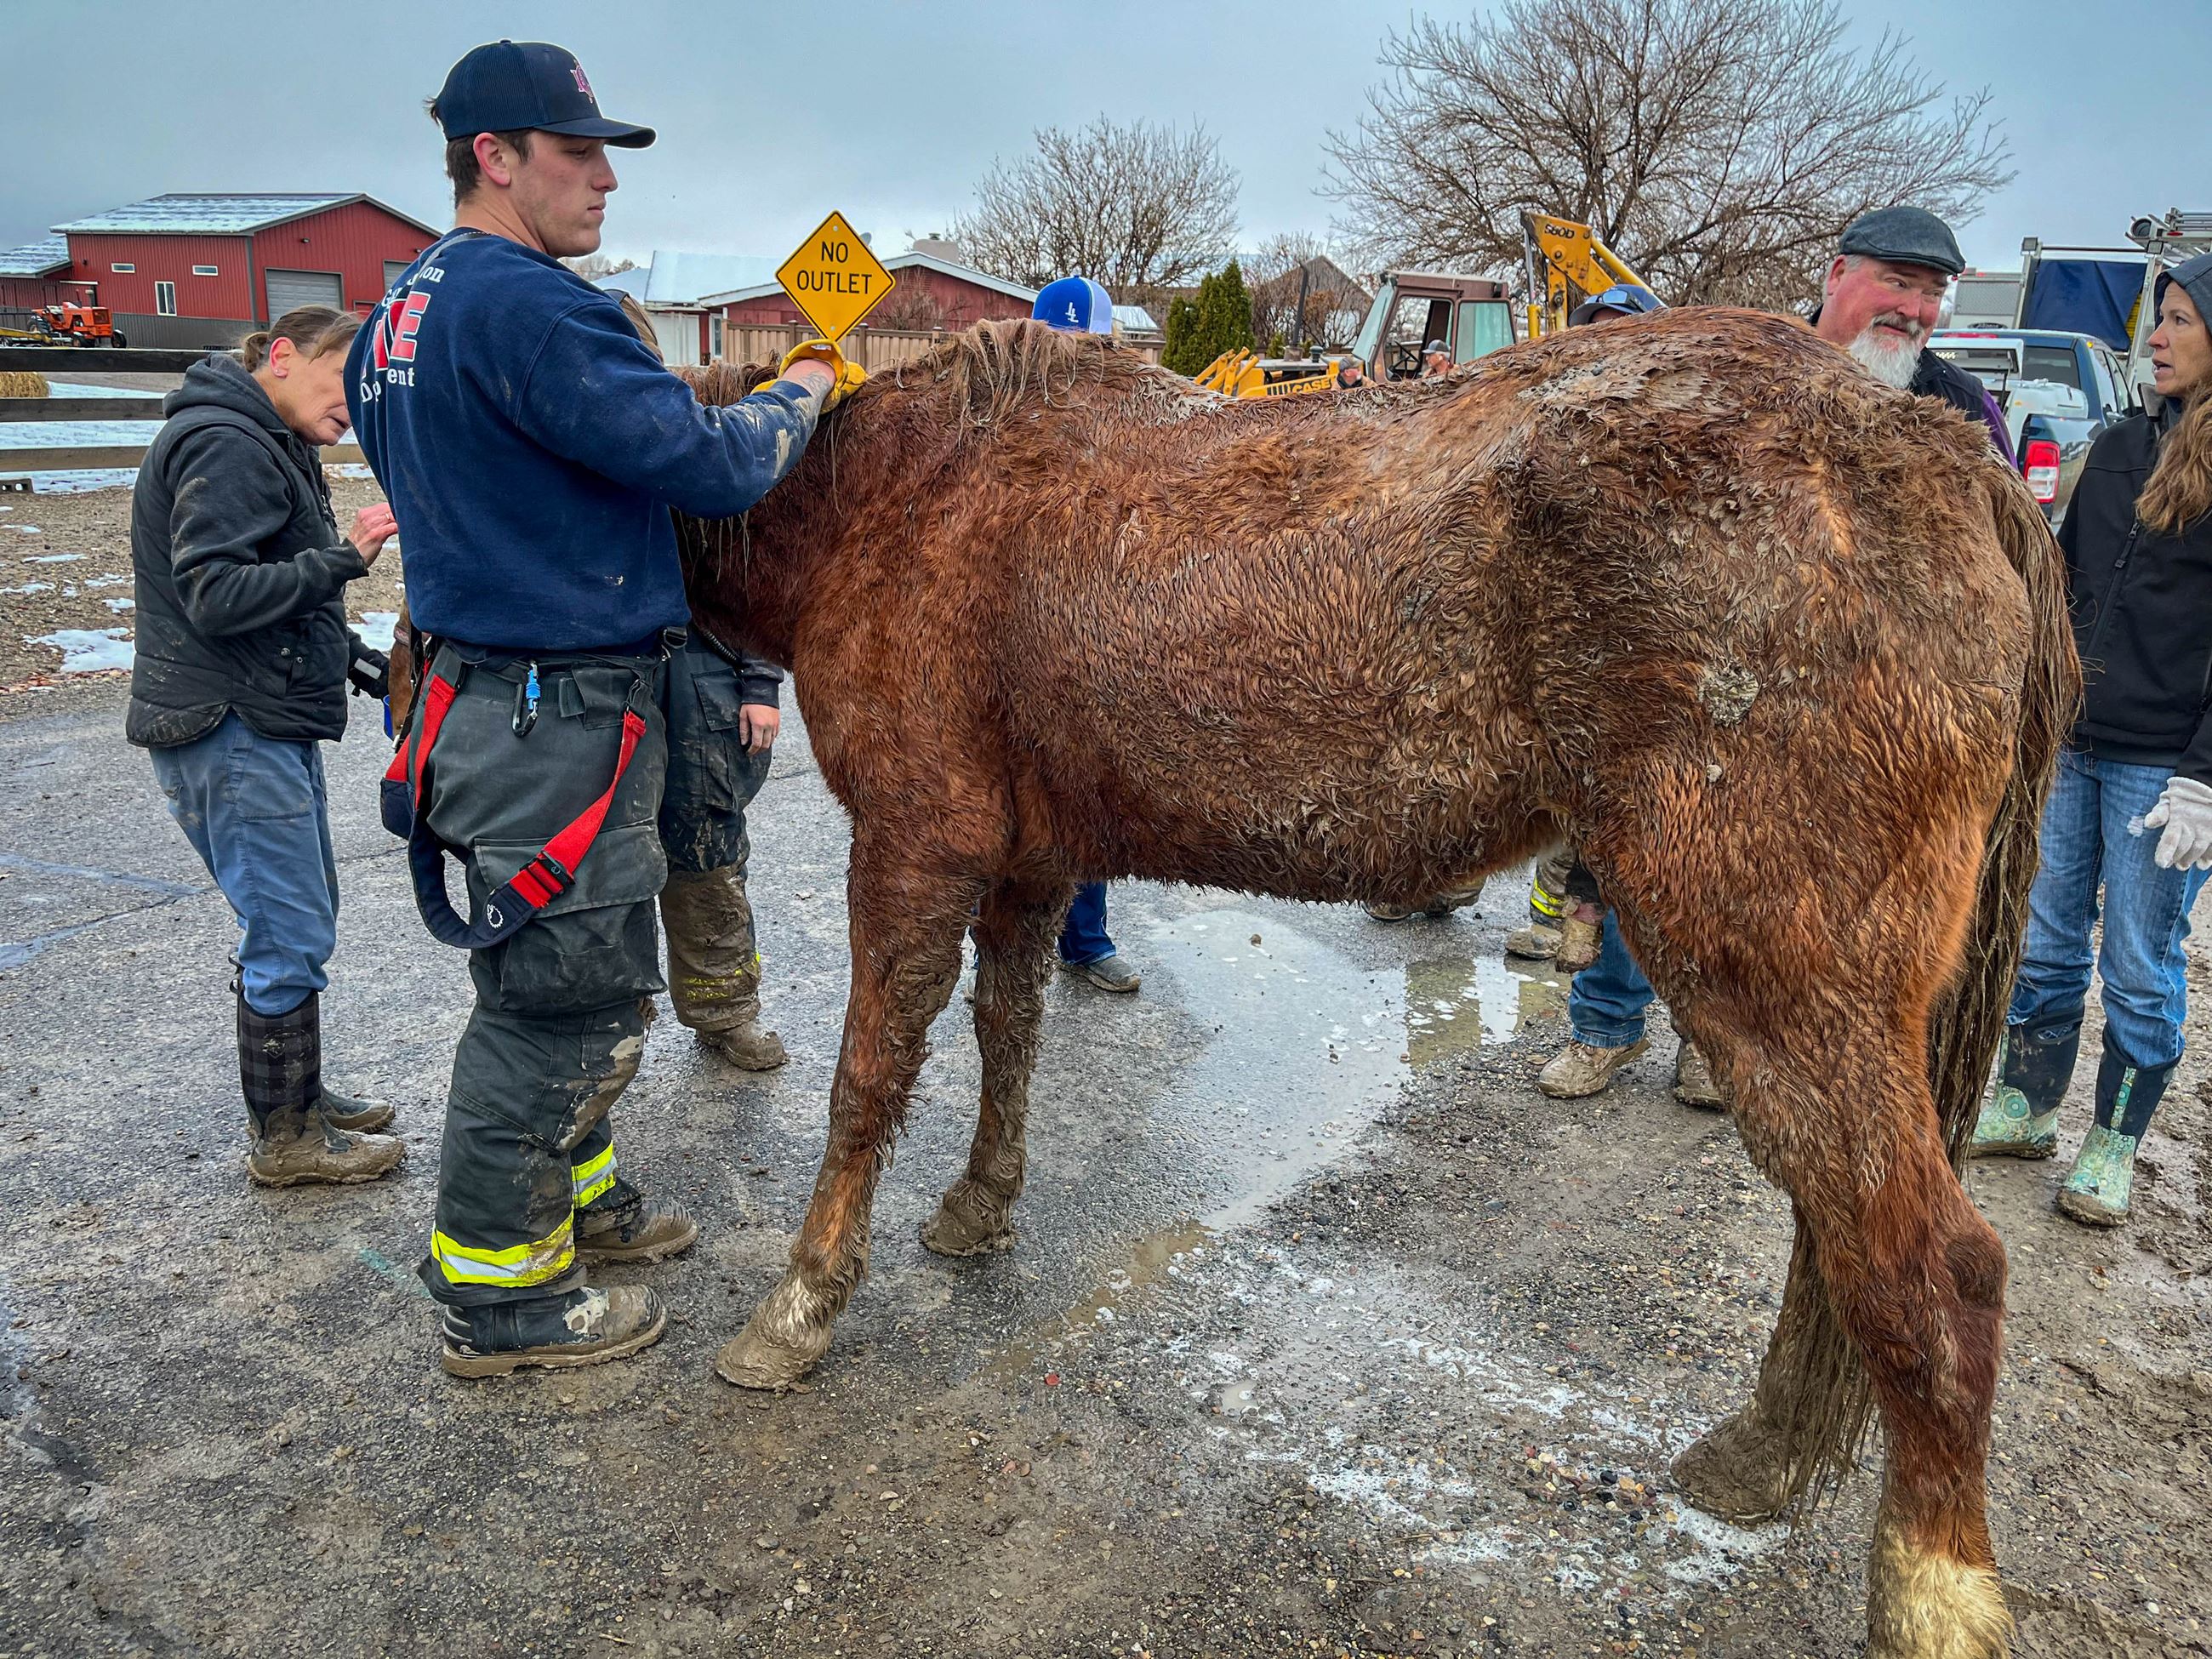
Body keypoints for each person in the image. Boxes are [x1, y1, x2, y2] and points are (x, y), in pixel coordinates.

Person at [349, 39, 858, 1377]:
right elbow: (704, 463)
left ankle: (582, 1201)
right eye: (576, 155)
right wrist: (802, 388)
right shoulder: (528, 305)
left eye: (607, 157)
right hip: (547, 710)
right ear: (492, 158)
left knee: (568, 976)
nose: (603, 182)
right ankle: (504, 1300)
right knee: (559, 1003)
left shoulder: (405, 307)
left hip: (484, 688)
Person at [129, 307, 407, 1189]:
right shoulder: (230, 444)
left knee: (299, 910)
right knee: (286, 925)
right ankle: (285, 1140)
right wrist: (345, 558)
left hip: (257, 715)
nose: (353, 411)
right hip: (228, 724)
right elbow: (215, 594)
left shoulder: (265, 438)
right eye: (342, 384)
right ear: (282, 356)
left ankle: (302, 1100)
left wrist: (364, 666)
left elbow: (275, 599)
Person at [1970, 251, 2212, 1226]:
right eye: (2157, 318)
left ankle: (2110, 1141)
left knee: (2138, 966)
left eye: (2182, 320)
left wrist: (2204, 777)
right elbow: (2058, 593)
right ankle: (2027, 1104)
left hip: (2163, 766)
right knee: (2045, 941)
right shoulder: (2114, 445)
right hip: (2070, 744)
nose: (2155, 337)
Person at [1029, 275, 1143, 993]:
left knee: (1089, 793)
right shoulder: (1005, 418)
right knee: (1010, 801)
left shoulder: (1129, 421)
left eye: (1086, 342)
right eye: (1058, 341)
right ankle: (1001, 949)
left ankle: (1086, 941)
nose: (1073, 355)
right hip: (1020, 632)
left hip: (1097, 634)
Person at [1810, 206, 2015, 463]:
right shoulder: (1758, 368)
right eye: (1898, 283)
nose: (1913, 311)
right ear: (1838, 275)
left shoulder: (1967, 404)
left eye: (1933, 294)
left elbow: (2007, 502)